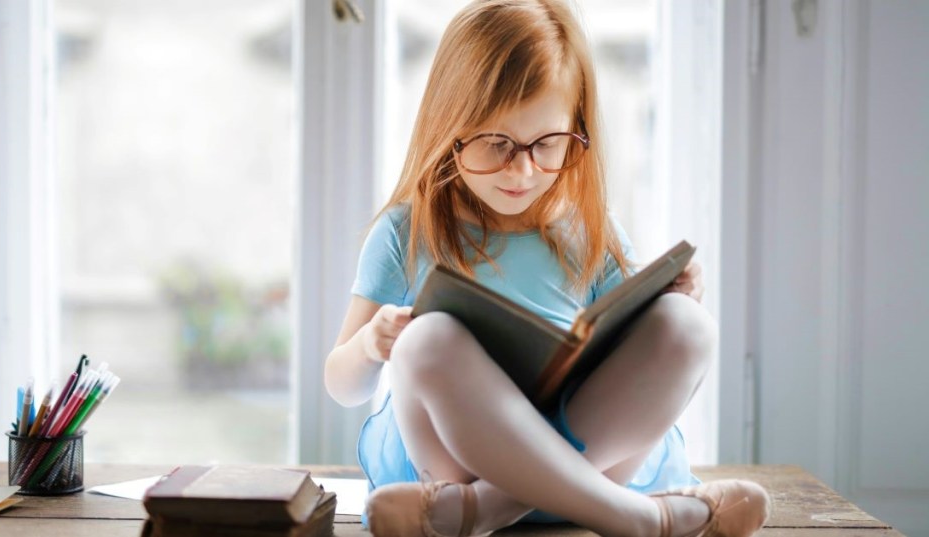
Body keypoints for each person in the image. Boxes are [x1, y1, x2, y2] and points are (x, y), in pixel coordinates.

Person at [323, 1, 771, 536]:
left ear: (574, 131)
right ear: (450, 127)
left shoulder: (589, 229)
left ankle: (488, 510)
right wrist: (373, 344)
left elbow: (635, 349)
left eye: (547, 144)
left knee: (689, 324)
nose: (522, 170)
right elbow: (341, 385)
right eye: (497, 143)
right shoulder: (407, 231)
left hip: (555, 467)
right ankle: (645, 520)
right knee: (425, 340)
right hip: (460, 465)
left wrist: (674, 294)